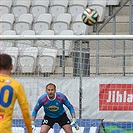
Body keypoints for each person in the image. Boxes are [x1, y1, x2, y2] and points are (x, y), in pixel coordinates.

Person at [0, 54, 32, 133]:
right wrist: (30, 130)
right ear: (11, 67)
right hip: (4, 129)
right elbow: (25, 112)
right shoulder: (16, 85)